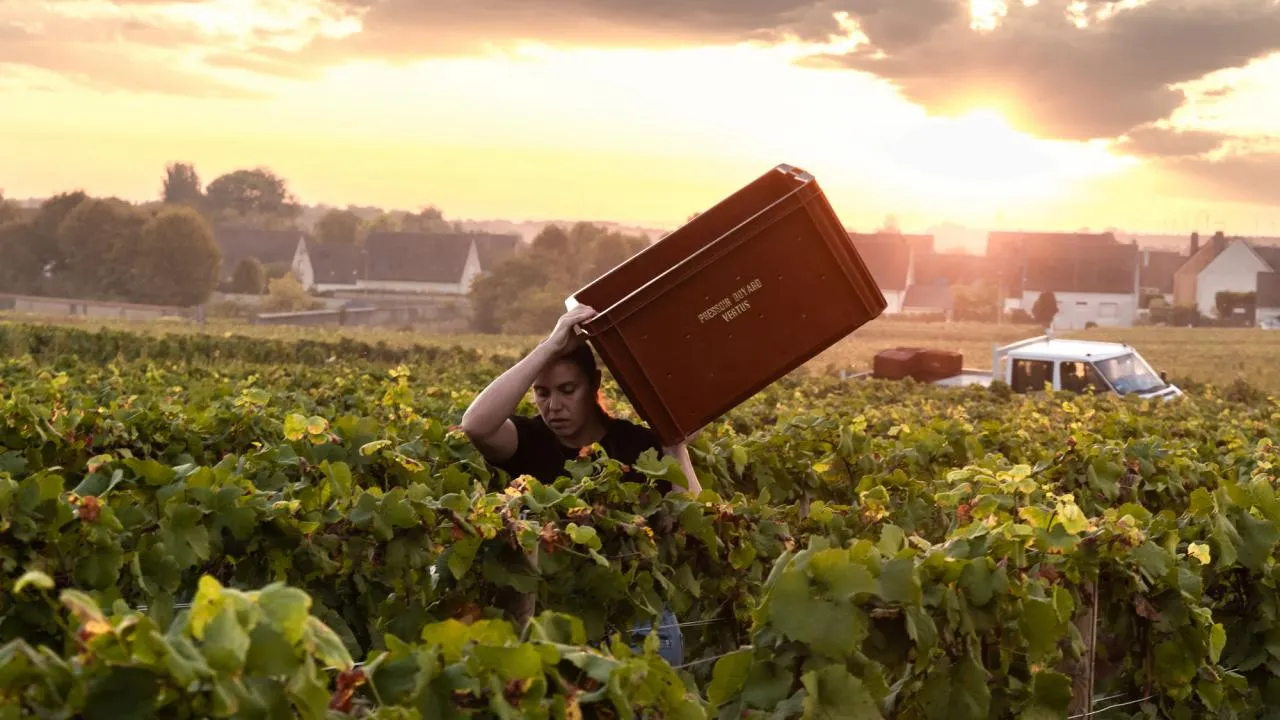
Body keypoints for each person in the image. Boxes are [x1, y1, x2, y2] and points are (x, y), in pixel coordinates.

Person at [460, 304, 701, 666]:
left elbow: (693, 519)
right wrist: (550, 345)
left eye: (567, 390)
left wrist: (675, 443)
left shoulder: (637, 445)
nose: (553, 405)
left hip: (639, 624)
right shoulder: (529, 441)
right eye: (542, 393)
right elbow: (476, 425)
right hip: (552, 624)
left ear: (594, 387)